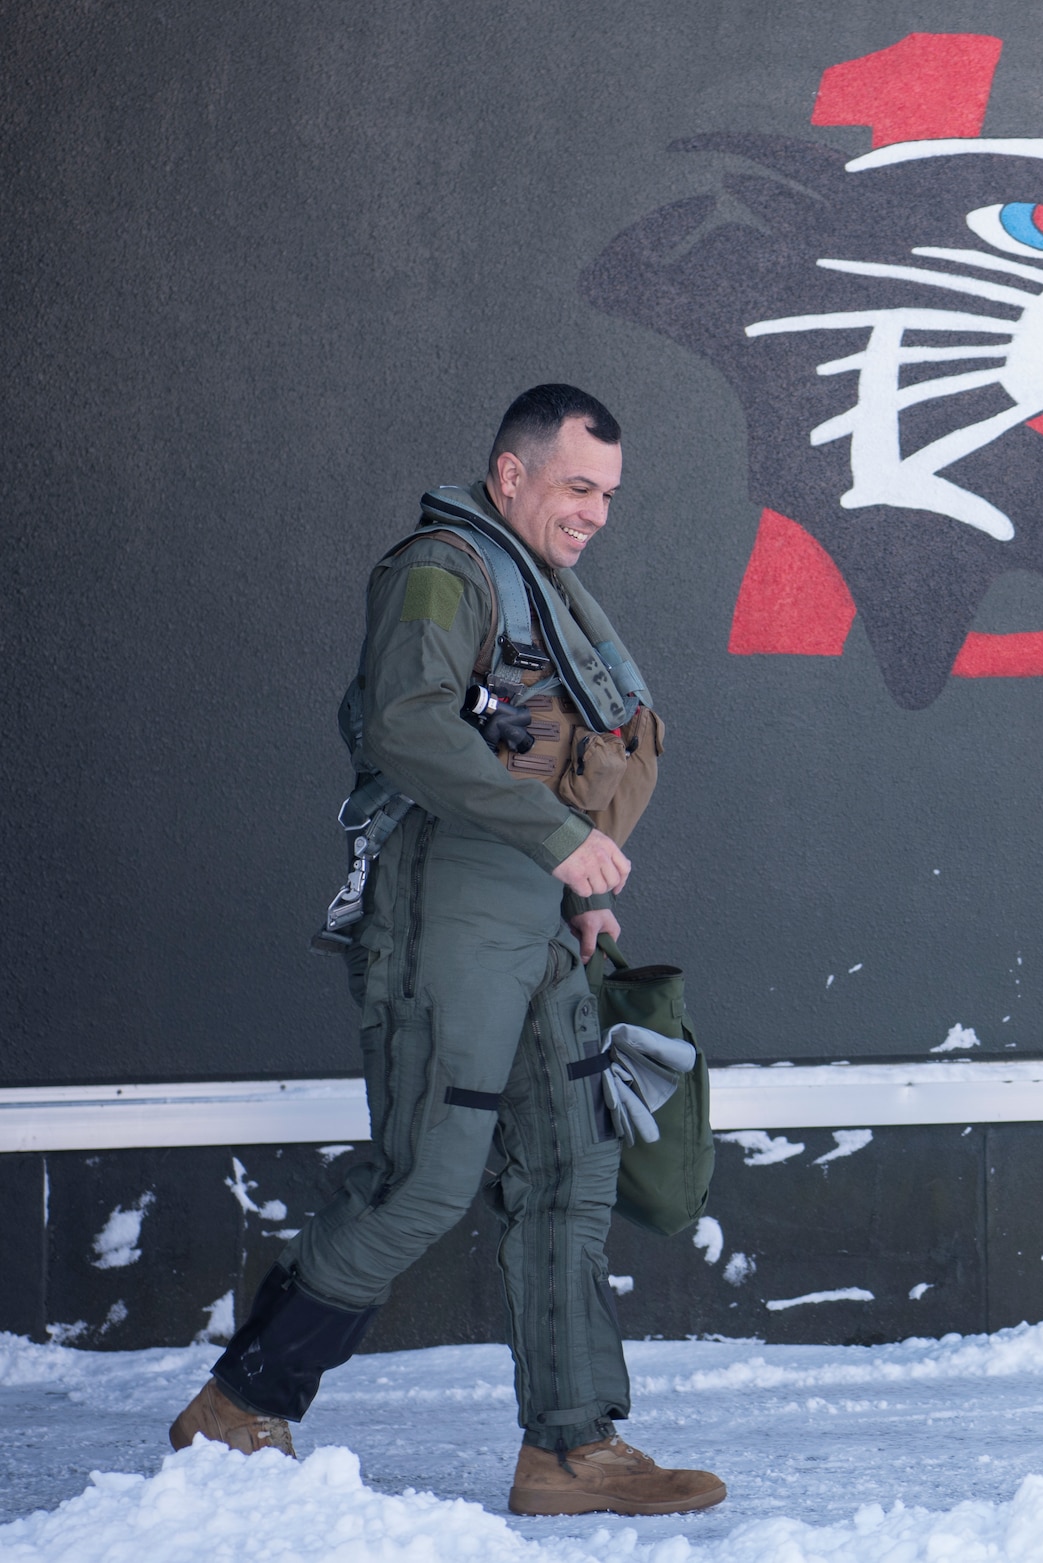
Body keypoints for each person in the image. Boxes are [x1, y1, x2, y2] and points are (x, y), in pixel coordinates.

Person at [168, 384, 723, 1518]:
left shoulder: (541, 588)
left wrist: (569, 889)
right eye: (577, 487)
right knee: (425, 1177)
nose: (595, 514)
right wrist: (560, 839)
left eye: (608, 494)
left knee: (571, 1168)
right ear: (511, 474)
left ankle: (570, 1451)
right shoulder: (443, 567)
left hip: (533, 909)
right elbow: (407, 725)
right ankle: (238, 1408)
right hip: (449, 906)